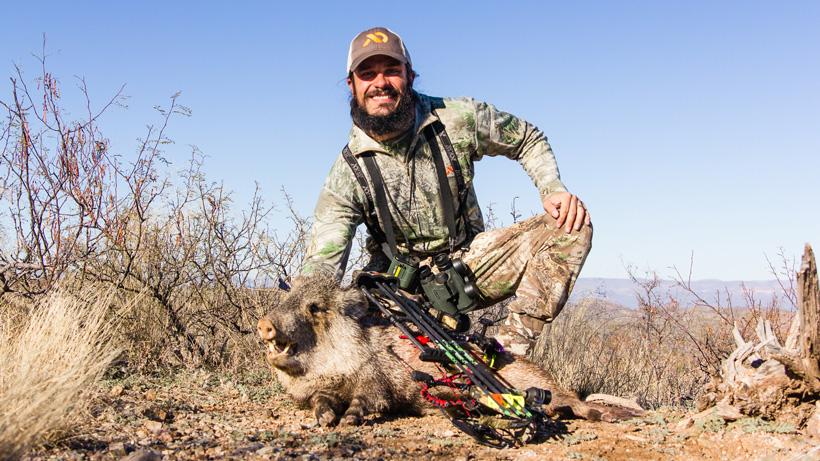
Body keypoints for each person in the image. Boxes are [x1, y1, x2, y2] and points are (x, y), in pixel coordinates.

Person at [303, 27, 592, 357]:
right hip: (397, 290)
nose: (380, 83)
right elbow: (321, 266)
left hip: (471, 266)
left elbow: (527, 138)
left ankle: (504, 355)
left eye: (392, 71)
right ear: (351, 85)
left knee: (571, 224)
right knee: (358, 346)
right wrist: (300, 309)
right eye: (367, 74)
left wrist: (552, 189)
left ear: (409, 76)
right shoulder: (346, 172)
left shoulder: (458, 118)